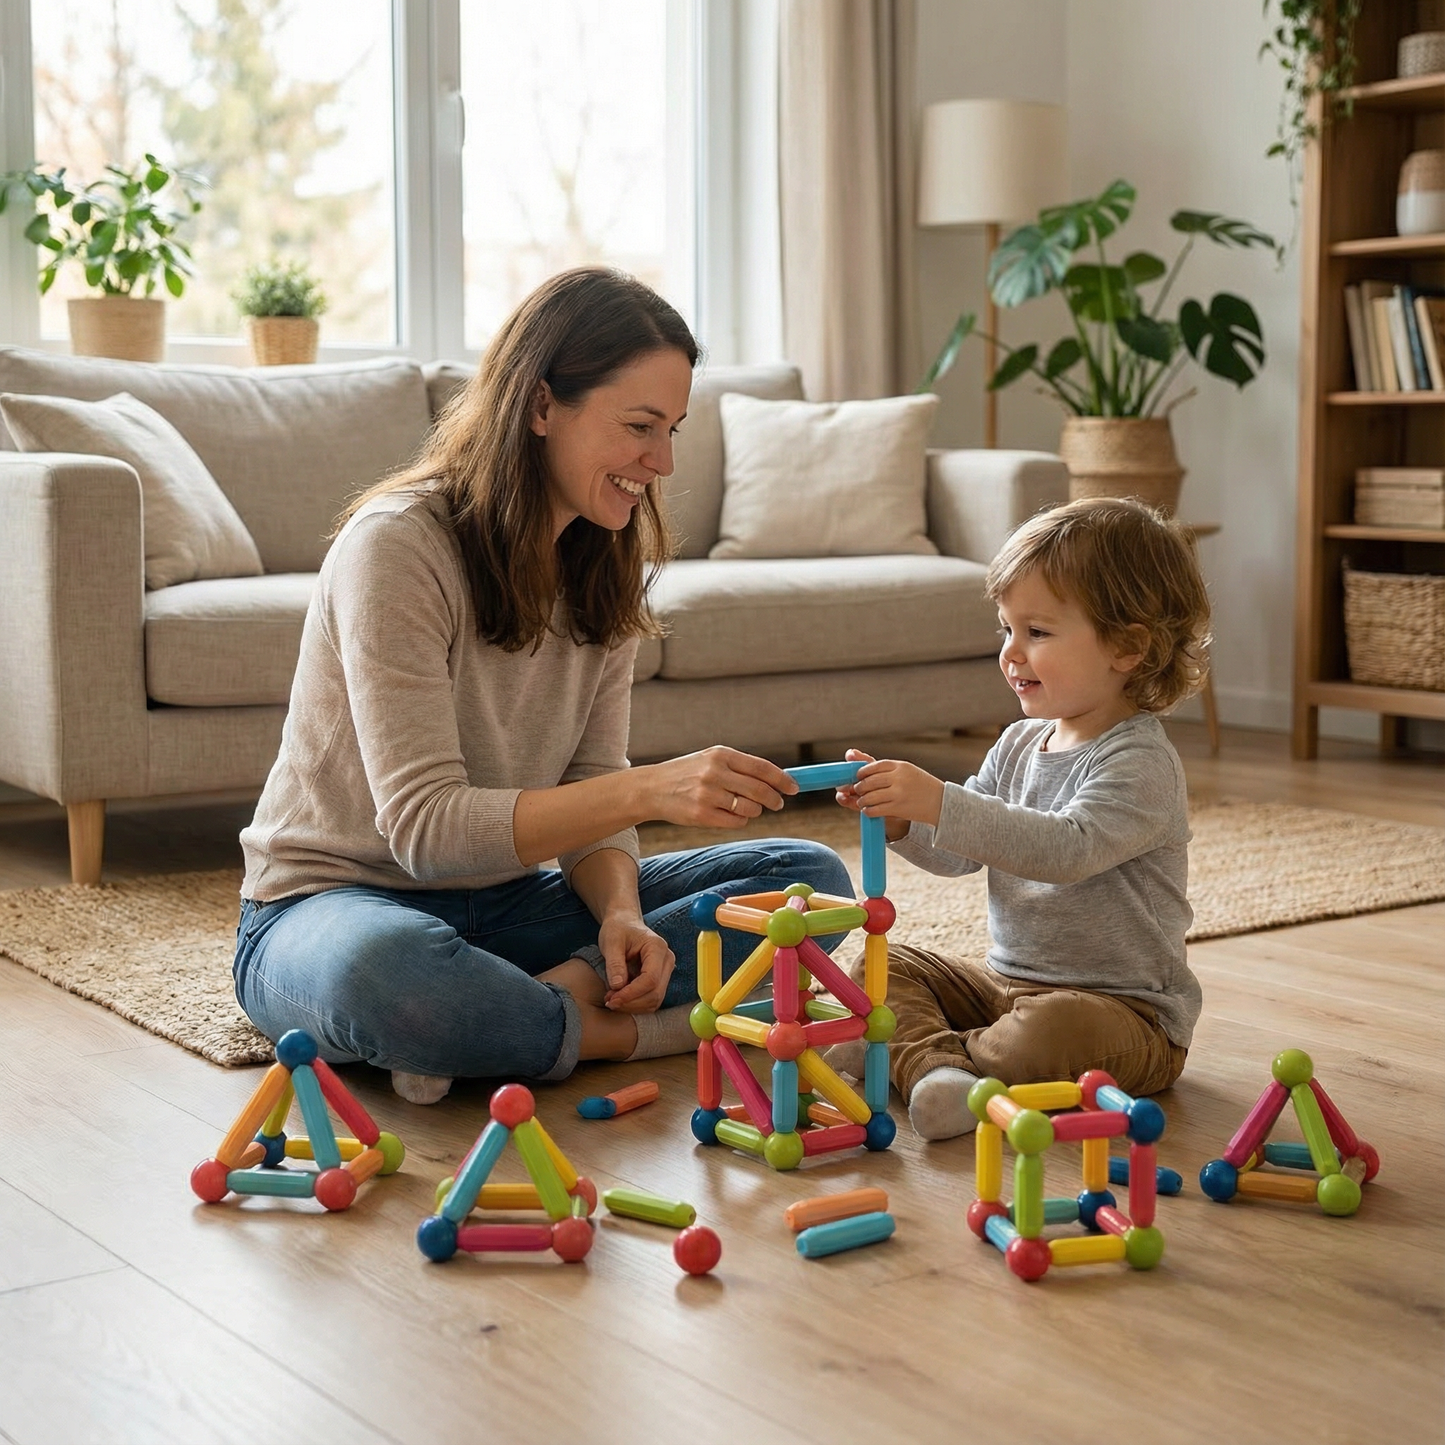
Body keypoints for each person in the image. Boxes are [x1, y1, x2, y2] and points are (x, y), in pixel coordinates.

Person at [233, 267, 851, 1104]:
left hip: (509, 905)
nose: (661, 462)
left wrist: (619, 916)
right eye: (639, 426)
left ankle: (519, 1018)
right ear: (538, 406)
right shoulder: (398, 547)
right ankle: (619, 1032)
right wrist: (656, 789)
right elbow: (426, 830)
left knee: (804, 878)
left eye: (671, 429)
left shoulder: (605, 555)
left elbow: (588, 783)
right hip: (329, 906)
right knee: (397, 976)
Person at [830, 496, 1210, 1141]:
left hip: (1123, 1014)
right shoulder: (1016, 743)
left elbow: (1065, 850)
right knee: (871, 965)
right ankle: (940, 1069)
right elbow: (958, 852)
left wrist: (940, 801)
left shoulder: (1140, 760)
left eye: (1037, 633)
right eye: (1006, 629)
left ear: (1127, 647)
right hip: (1003, 983)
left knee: (1049, 1032)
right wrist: (903, 823)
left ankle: (915, 1059)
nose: (1012, 653)